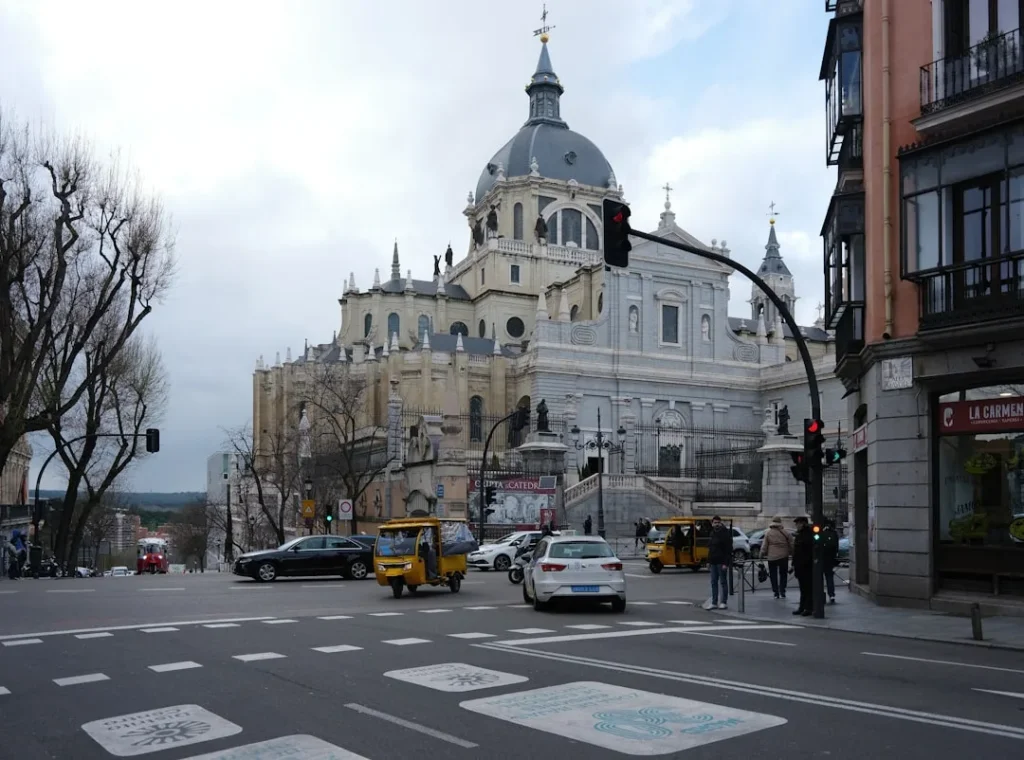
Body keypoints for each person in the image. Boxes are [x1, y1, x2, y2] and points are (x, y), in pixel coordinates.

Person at [760, 516, 793, 599]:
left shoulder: (768, 533)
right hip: (783, 556)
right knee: (783, 574)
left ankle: (776, 592)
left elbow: (764, 546)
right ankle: (782, 591)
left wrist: (761, 554)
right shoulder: (786, 533)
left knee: (773, 575)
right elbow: (792, 544)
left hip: (772, 557)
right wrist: (792, 553)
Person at [707, 516, 733, 610]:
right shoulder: (712, 533)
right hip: (713, 562)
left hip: (721, 562)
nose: (717, 524)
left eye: (718, 522)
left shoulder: (725, 533)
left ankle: (723, 602)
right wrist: (708, 561)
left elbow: (728, 550)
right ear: (712, 523)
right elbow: (710, 549)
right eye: (715, 523)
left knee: (723, 582)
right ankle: (714, 602)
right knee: (713, 582)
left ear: (721, 523)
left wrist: (726, 563)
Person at [791, 516, 814, 616]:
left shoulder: (808, 534)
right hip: (800, 566)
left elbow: (808, 552)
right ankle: (802, 607)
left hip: (806, 566)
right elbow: (796, 552)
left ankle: (808, 608)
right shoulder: (799, 535)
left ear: (803, 523)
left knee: (808, 588)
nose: (796, 525)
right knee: (803, 589)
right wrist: (793, 565)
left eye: (798, 523)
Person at [821, 519, 840, 604]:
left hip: (821, 559)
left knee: (819, 578)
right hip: (830, 559)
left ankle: (819, 593)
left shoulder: (821, 532)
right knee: (829, 577)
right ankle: (831, 595)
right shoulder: (834, 533)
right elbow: (836, 547)